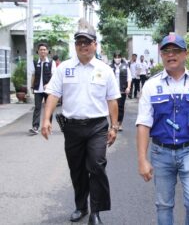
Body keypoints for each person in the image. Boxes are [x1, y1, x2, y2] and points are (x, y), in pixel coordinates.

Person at [41, 19, 120, 225]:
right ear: (75, 46)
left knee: (96, 166)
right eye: (79, 42)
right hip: (72, 128)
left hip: (97, 127)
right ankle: (81, 206)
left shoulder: (105, 70)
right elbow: (53, 94)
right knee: (76, 169)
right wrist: (46, 119)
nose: (83, 46)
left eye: (87, 42)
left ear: (95, 44)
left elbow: (112, 100)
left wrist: (114, 126)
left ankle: (96, 211)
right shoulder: (64, 68)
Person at [136, 34, 189, 225]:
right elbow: (143, 123)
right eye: (166, 51)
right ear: (161, 55)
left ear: (186, 54)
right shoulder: (151, 85)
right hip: (161, 152)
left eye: (176, 51)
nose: (171, 55)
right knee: (163, 205)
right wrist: (142, 160)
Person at [28, 43, 56, 135]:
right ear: (38, 51)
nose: (43, 51)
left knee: (49, 108)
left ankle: (48, 126)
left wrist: (48, 84)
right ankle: (35, 127)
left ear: (47, 51)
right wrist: (32, 86)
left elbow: (54, 76)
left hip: (49, 90)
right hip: (38, 90)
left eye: (44, 49)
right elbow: (33, 75)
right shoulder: (35, 63)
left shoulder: (52, 63)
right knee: (37, 108)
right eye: (41, 49)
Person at [110, 52, 132, 131]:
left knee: (121, 107)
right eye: (116, 57)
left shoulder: (125, 67)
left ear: (121, 58)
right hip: (112, 90)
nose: (117, 58)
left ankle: (119, 123)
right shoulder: (110, 67)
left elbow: (129, 78)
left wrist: (128, 87)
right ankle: (113, 123)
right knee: (112, 107)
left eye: (119, 57)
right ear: (113, 58)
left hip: (122, 90)